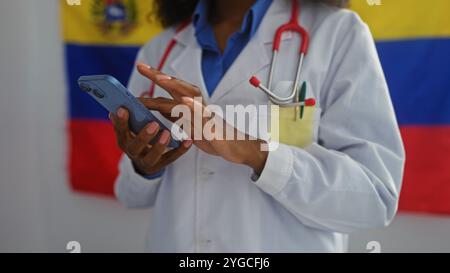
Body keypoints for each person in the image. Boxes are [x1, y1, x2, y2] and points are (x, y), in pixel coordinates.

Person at [110, 0, 405, 252]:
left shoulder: (338, 33)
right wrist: (145, 167)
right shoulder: (161, 49)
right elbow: (129, 195)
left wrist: (254, 152)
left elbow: (374, 198)